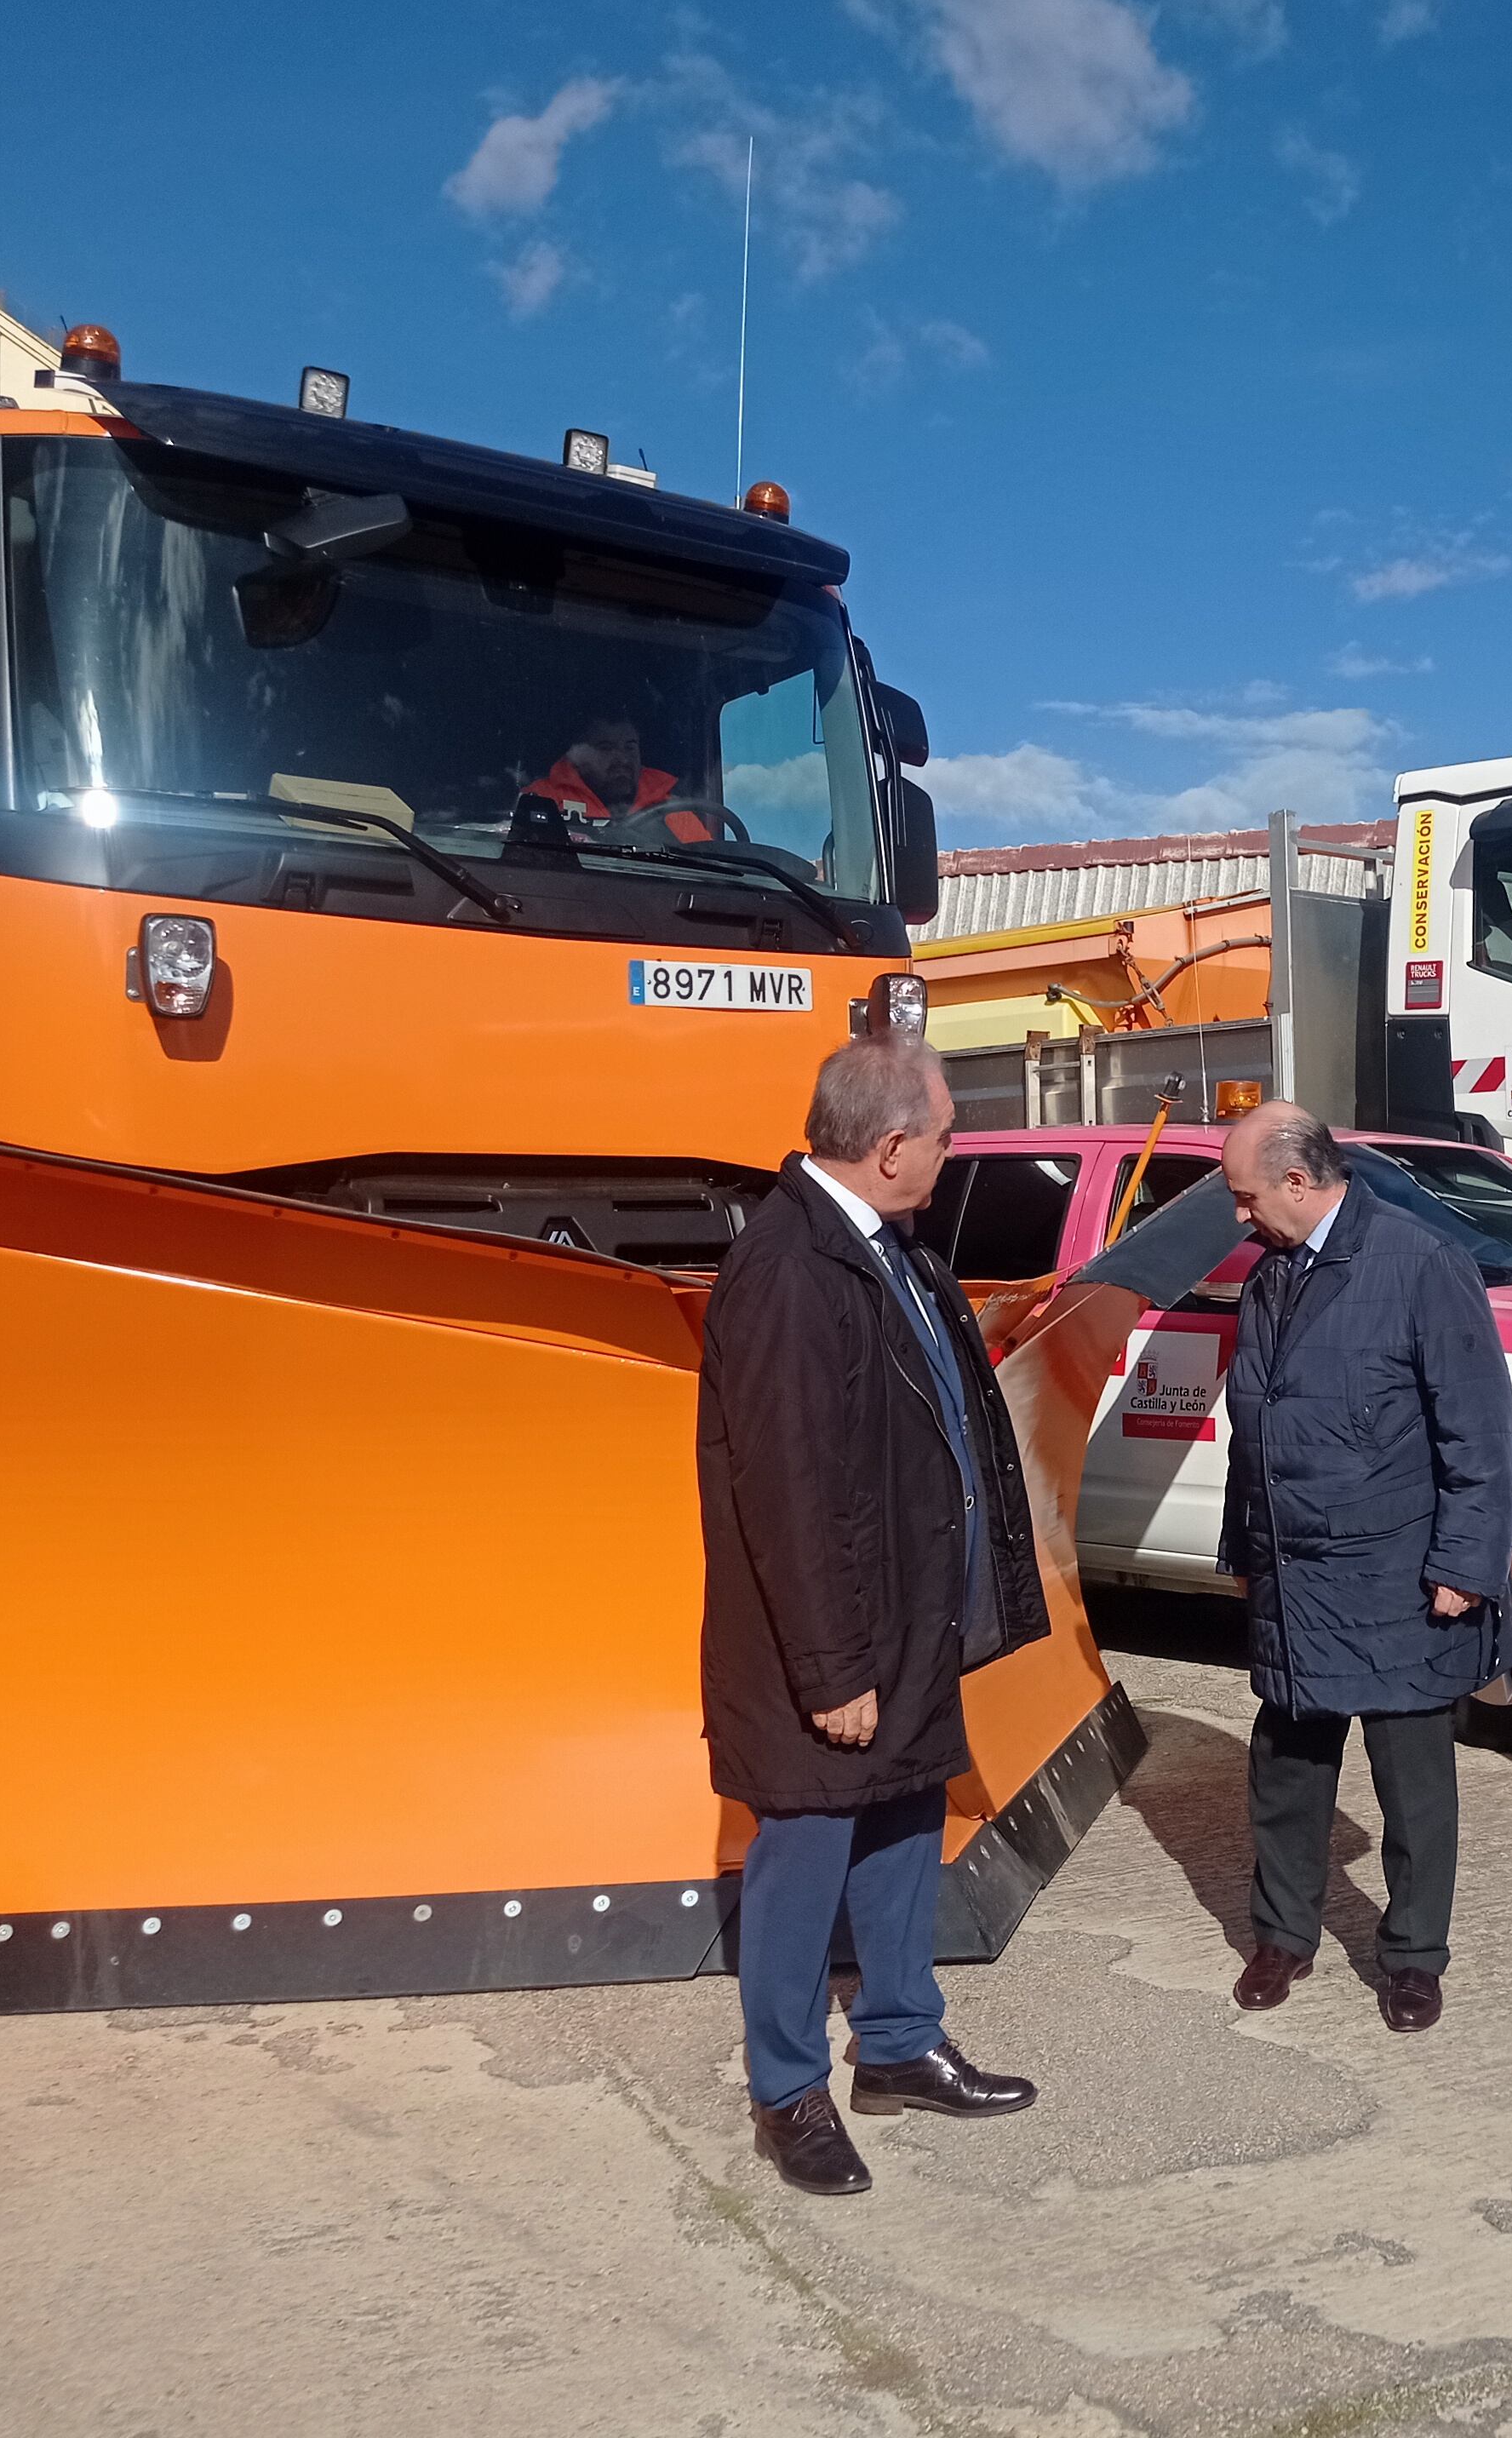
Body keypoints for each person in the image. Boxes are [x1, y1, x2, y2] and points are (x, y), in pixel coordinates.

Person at [697, 1032, 1054, 2198]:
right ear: (893, 1145)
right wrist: (831, 1667)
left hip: (909, 1624)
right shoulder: (792, 1270)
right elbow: (790, 1488)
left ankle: (898, 2046)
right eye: (947, 1134)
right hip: (838, 1646)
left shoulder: (888, 1251)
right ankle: (789, 2093)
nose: (955, 1153)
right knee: (803, 1861)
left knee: (904, 1833)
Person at [1217, 1101, 1512, 2033]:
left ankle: (1414, 1955)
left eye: (1246, 1196)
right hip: (1296, 1576)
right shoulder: (1273, 1275)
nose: (1240, 1216)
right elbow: (1254, 1427)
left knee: (1412, 1780)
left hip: (1397, 1573)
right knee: (1287, 1767)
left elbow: (1479, 1434)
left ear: (1299, 1183)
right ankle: (1283, 1936)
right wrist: (1245, 1546)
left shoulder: (1423, 1266)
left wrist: (1465, 1562)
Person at [526, 714, 715, 841]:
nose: (623, 759)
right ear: (578, 756)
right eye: (606, 748)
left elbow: (705, 867)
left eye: (630, 747)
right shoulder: (541, 799)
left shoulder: (672, 810)